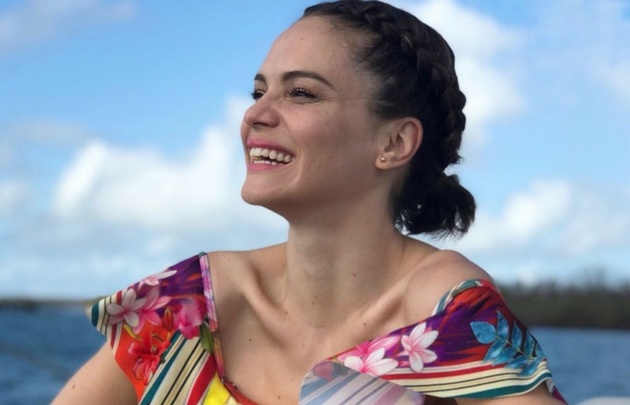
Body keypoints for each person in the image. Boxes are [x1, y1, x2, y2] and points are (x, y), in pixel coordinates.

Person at [53, 1, 566, 404]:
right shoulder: (196, 302)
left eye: (301, 93)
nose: (256, 114)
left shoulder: (441, 311)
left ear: (394, 143)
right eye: (258, 92)